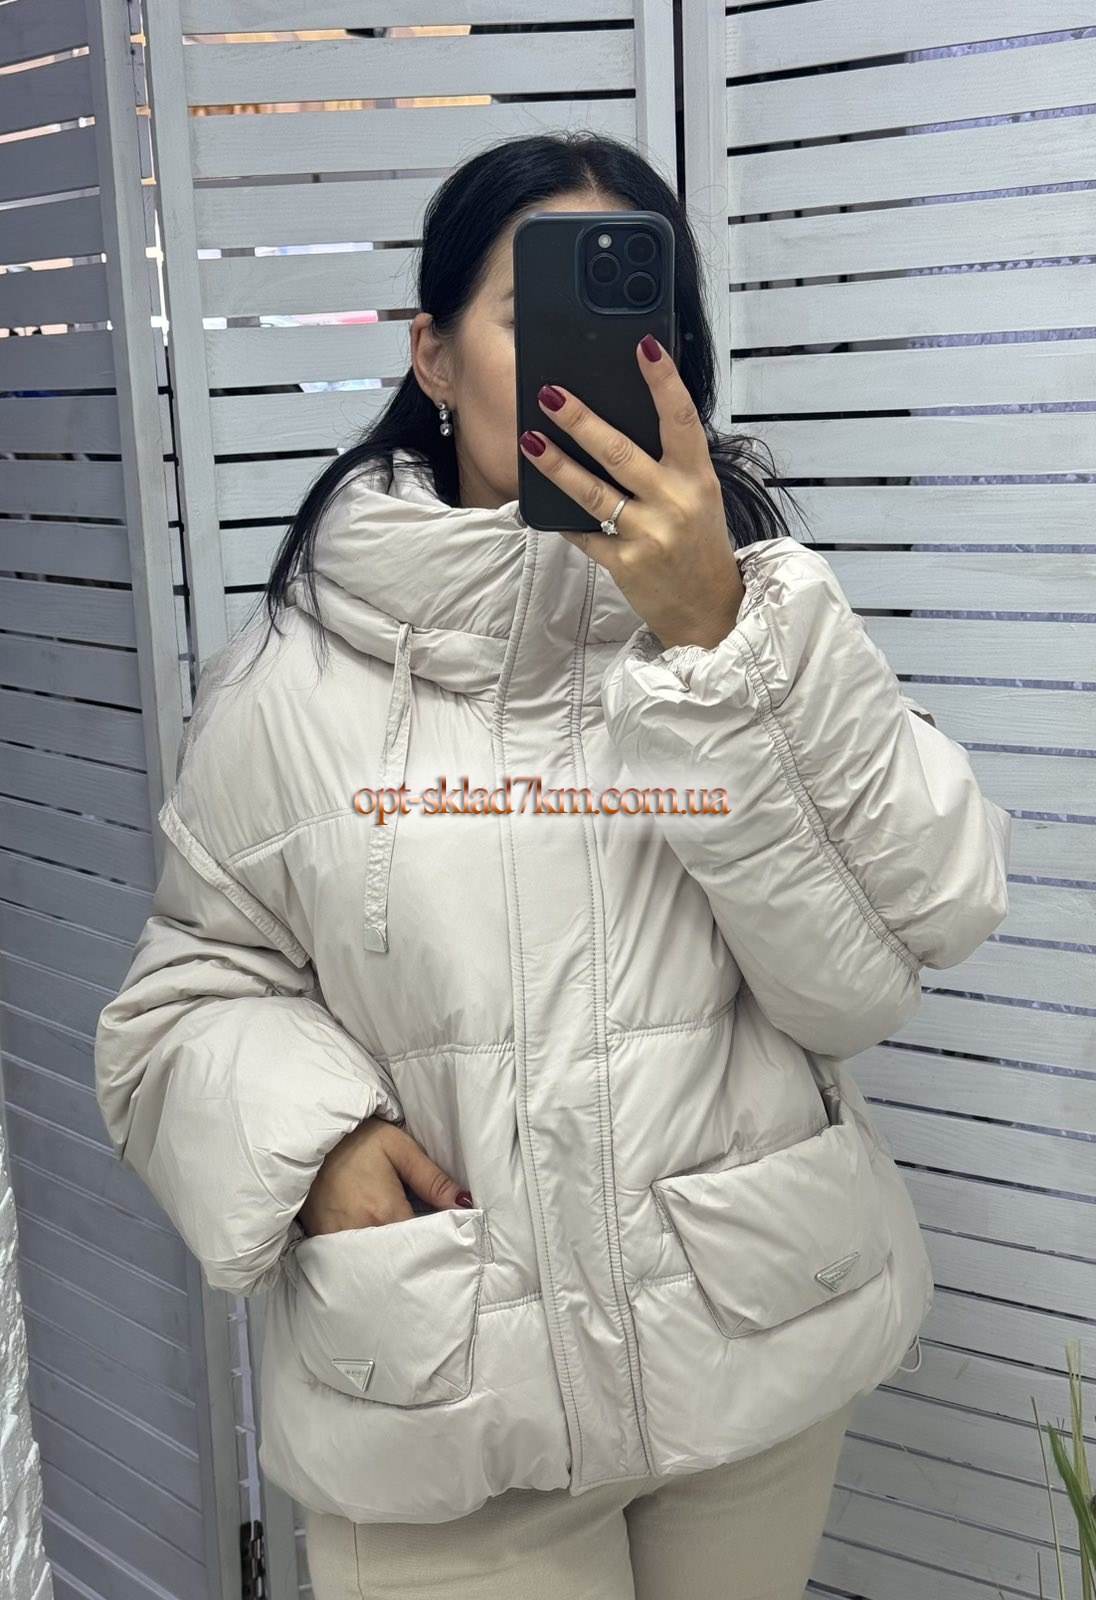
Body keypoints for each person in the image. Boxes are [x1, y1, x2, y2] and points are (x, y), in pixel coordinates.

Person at [93, 132, 1011, 1600]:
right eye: (537, 314)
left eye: (642, 320)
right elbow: (182, 1002)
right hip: (446, 1401)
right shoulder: (290, 685)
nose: (599, 367)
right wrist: (312, 1143)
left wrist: (720, 644)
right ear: (433, 356)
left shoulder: (767, 632)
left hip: (746, 1359)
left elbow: (880, 961)